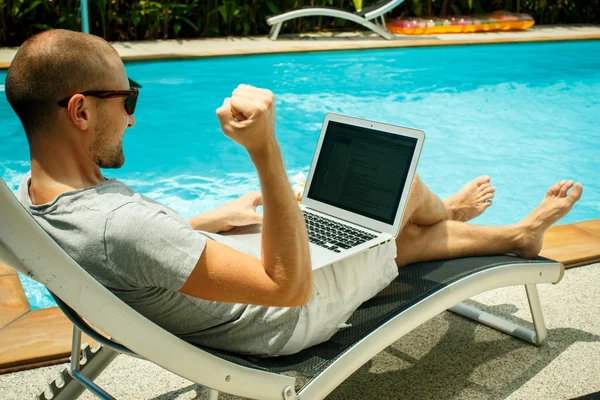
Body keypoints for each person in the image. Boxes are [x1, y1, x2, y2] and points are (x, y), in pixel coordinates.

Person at [5, 30, 582, 357]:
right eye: (126, 97)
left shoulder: (36, 198)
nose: (131, 118)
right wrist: (263, 151)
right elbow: (290, 287)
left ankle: (468, 223)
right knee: (391, 190)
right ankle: (491, 226)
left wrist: (207, 222)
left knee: (348, 210)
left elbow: (133, 250)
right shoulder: (121, 226)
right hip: (283, 317)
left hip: (225, 286)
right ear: (80, 110)